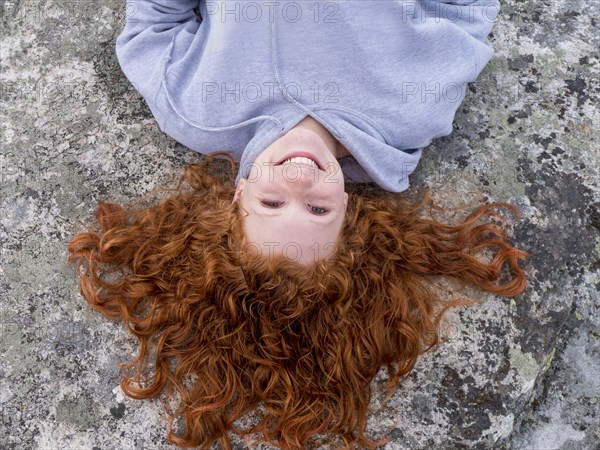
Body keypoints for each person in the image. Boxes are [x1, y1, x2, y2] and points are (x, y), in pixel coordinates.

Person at [68, 0, 528, 448]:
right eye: (317, 210)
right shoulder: (413, 113)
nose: (298, 178)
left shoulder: (197, 111)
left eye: (270, 202)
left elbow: (152, 24)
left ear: (238, 195)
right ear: (349, 212)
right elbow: (463, 12)